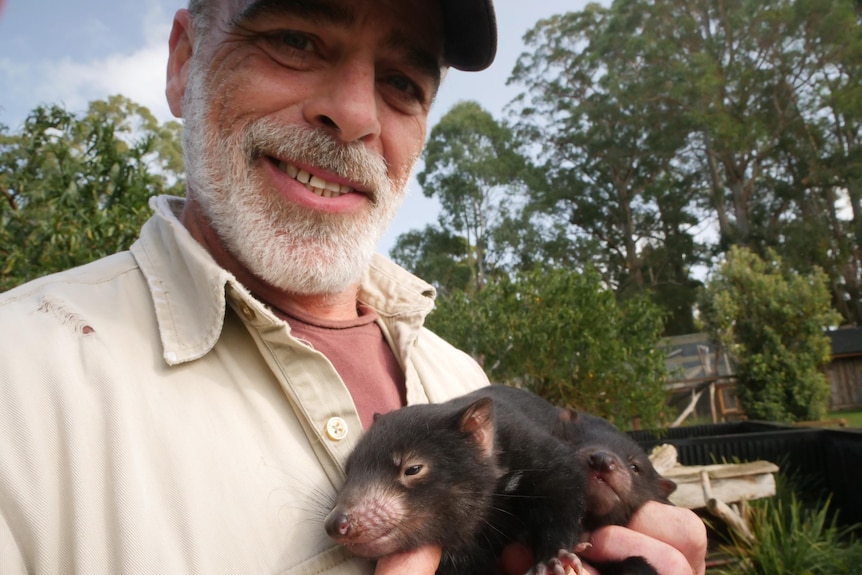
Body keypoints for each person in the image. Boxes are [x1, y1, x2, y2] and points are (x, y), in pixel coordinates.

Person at [0, 0, 707, 573]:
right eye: (297, 39)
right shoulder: (21, 381)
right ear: (185, 61)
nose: (356, 115)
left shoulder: (460, 375)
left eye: (402, 82)